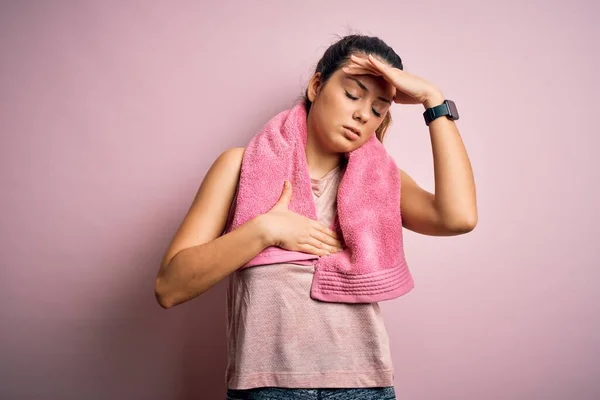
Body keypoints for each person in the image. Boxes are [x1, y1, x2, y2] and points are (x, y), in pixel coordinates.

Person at [154, 34, 477, 400]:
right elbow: (169, 287)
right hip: (266, 389)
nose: (361, 114)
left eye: (378, 109)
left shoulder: (382, 181)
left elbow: (458, 218)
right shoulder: (239, 167)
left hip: (364, 388)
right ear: (317, 85)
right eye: (353, 95)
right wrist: (265, 229)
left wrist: (432, 101)